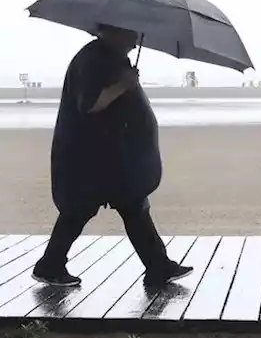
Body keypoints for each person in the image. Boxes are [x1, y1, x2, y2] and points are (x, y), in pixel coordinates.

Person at [32, 25, 192, 288]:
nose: (136, 42)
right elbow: (91, 104)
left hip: (113, 156)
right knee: (79, 210)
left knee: (134, 207)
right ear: (115, 31)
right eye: (132, 35)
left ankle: (158, 266)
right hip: (91, 157)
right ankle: (50, 265)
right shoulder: (92, 59)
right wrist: (124, 84)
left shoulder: (110, 57)